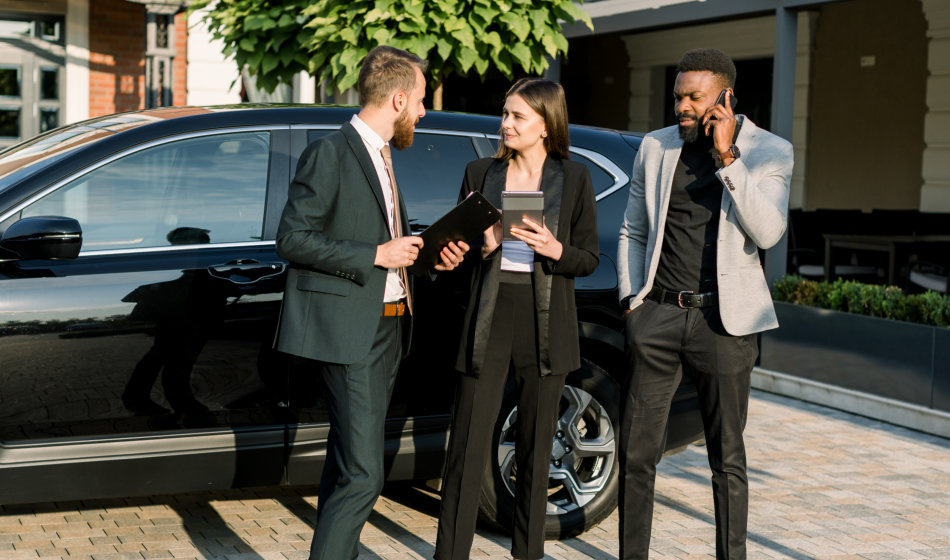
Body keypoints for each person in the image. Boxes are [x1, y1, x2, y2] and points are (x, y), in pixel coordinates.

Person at [274, 45, 467, 560]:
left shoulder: (383, 156)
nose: (425, 113)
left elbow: (389, 243)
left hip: (389, 328)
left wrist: (428, 260)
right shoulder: (331, 152)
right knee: (364, 473)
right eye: (422, 101)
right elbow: (292, 238)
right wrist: (376, 253)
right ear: (399, 98)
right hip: (350, 333)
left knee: (346, 464)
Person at [616, 48, 793, 560]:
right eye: (678, 96)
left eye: (694, 97)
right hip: (658, 317)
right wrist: (634, 301)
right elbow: (632, 229)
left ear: (726, 98)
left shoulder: (770, 151)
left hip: (725, 322)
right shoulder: (655, 147)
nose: (682, 107)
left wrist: (726, 158)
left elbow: (768, 232)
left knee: (727, 458)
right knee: (636, 453)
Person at [434, 78, 599, 560]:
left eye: (517, 117)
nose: (505, 124)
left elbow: (588, 257)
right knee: (464, 451)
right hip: (489, 315)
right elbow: (457, 250)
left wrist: (555, 249)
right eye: (504, 114)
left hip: (545, 320)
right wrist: (478, 249)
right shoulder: (479, 172)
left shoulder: (575, 178)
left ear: (545, 125)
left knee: (535, 453)